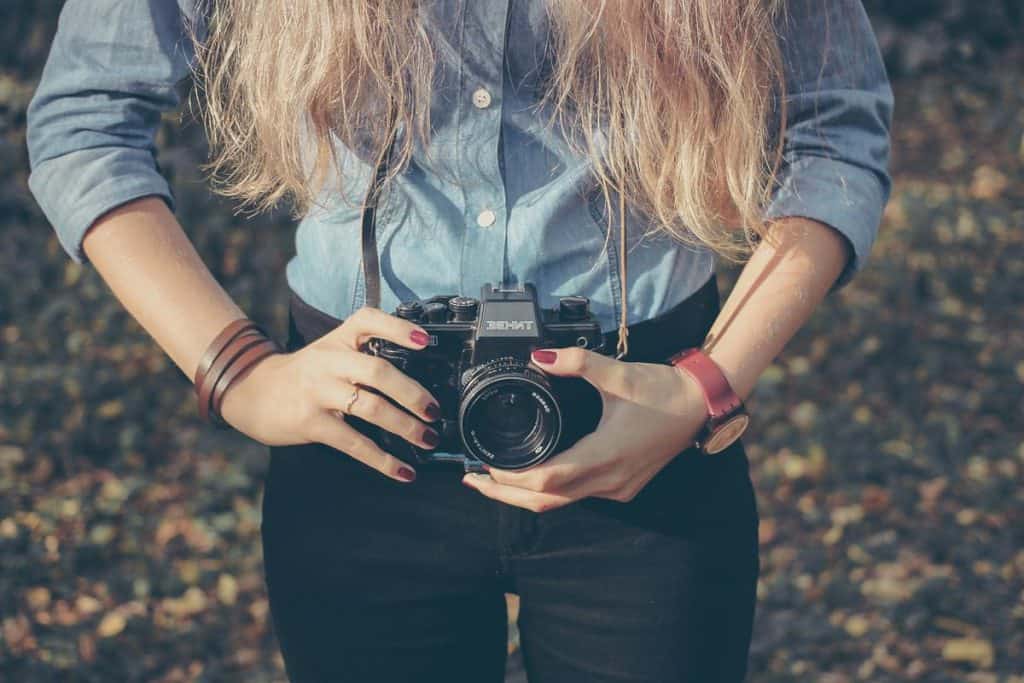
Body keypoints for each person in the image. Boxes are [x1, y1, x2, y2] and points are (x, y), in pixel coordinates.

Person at [26, 0, 892, 680]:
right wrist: (238, 374)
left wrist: (706, 385)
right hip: (364, 437)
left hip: (646, 421)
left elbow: (836, 131)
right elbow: (85, 119)